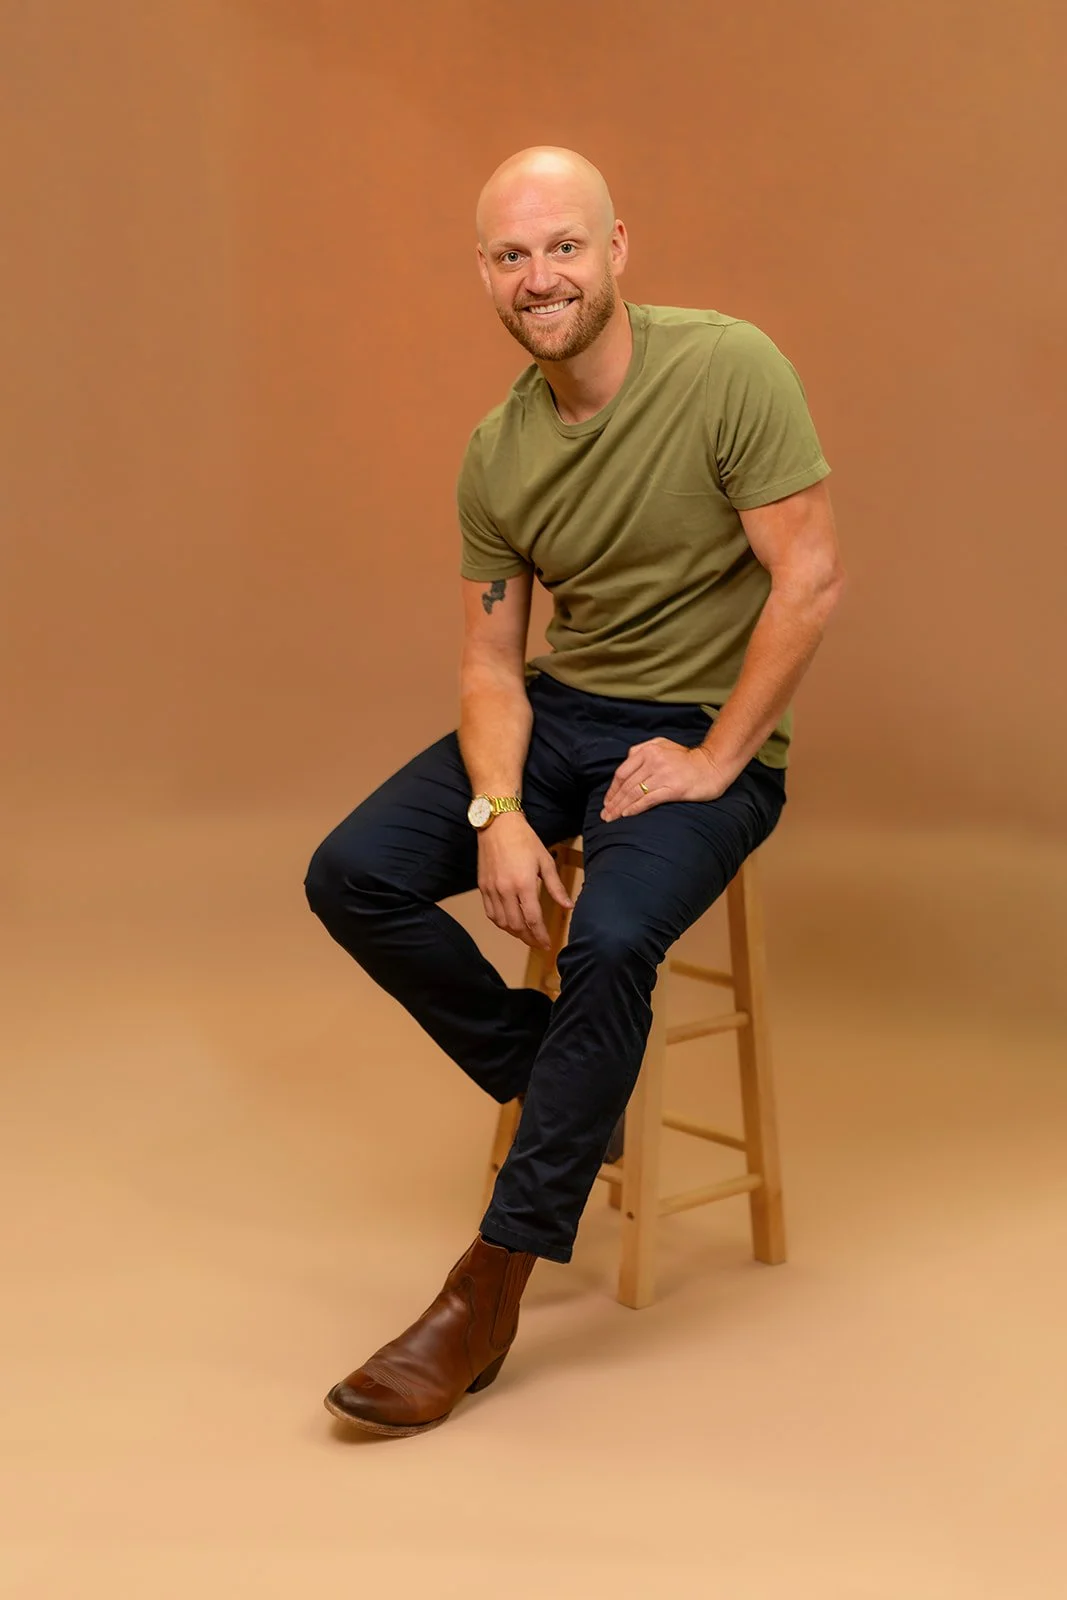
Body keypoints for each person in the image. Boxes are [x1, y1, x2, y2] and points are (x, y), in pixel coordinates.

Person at [304, 145, 846, 1438]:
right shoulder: (497, 452)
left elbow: (808, 575)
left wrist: (716, 756)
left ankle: (486, 1285)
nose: (538, 275)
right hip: (562, 715)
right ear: (485, 277)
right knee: (351, 873)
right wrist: (496, 811)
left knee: (607, 937)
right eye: (510, 255)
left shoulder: (725, 366)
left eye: (561, 246)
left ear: (615, 250)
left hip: (697, 736)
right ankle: (567, 1088)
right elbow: (490, 660)